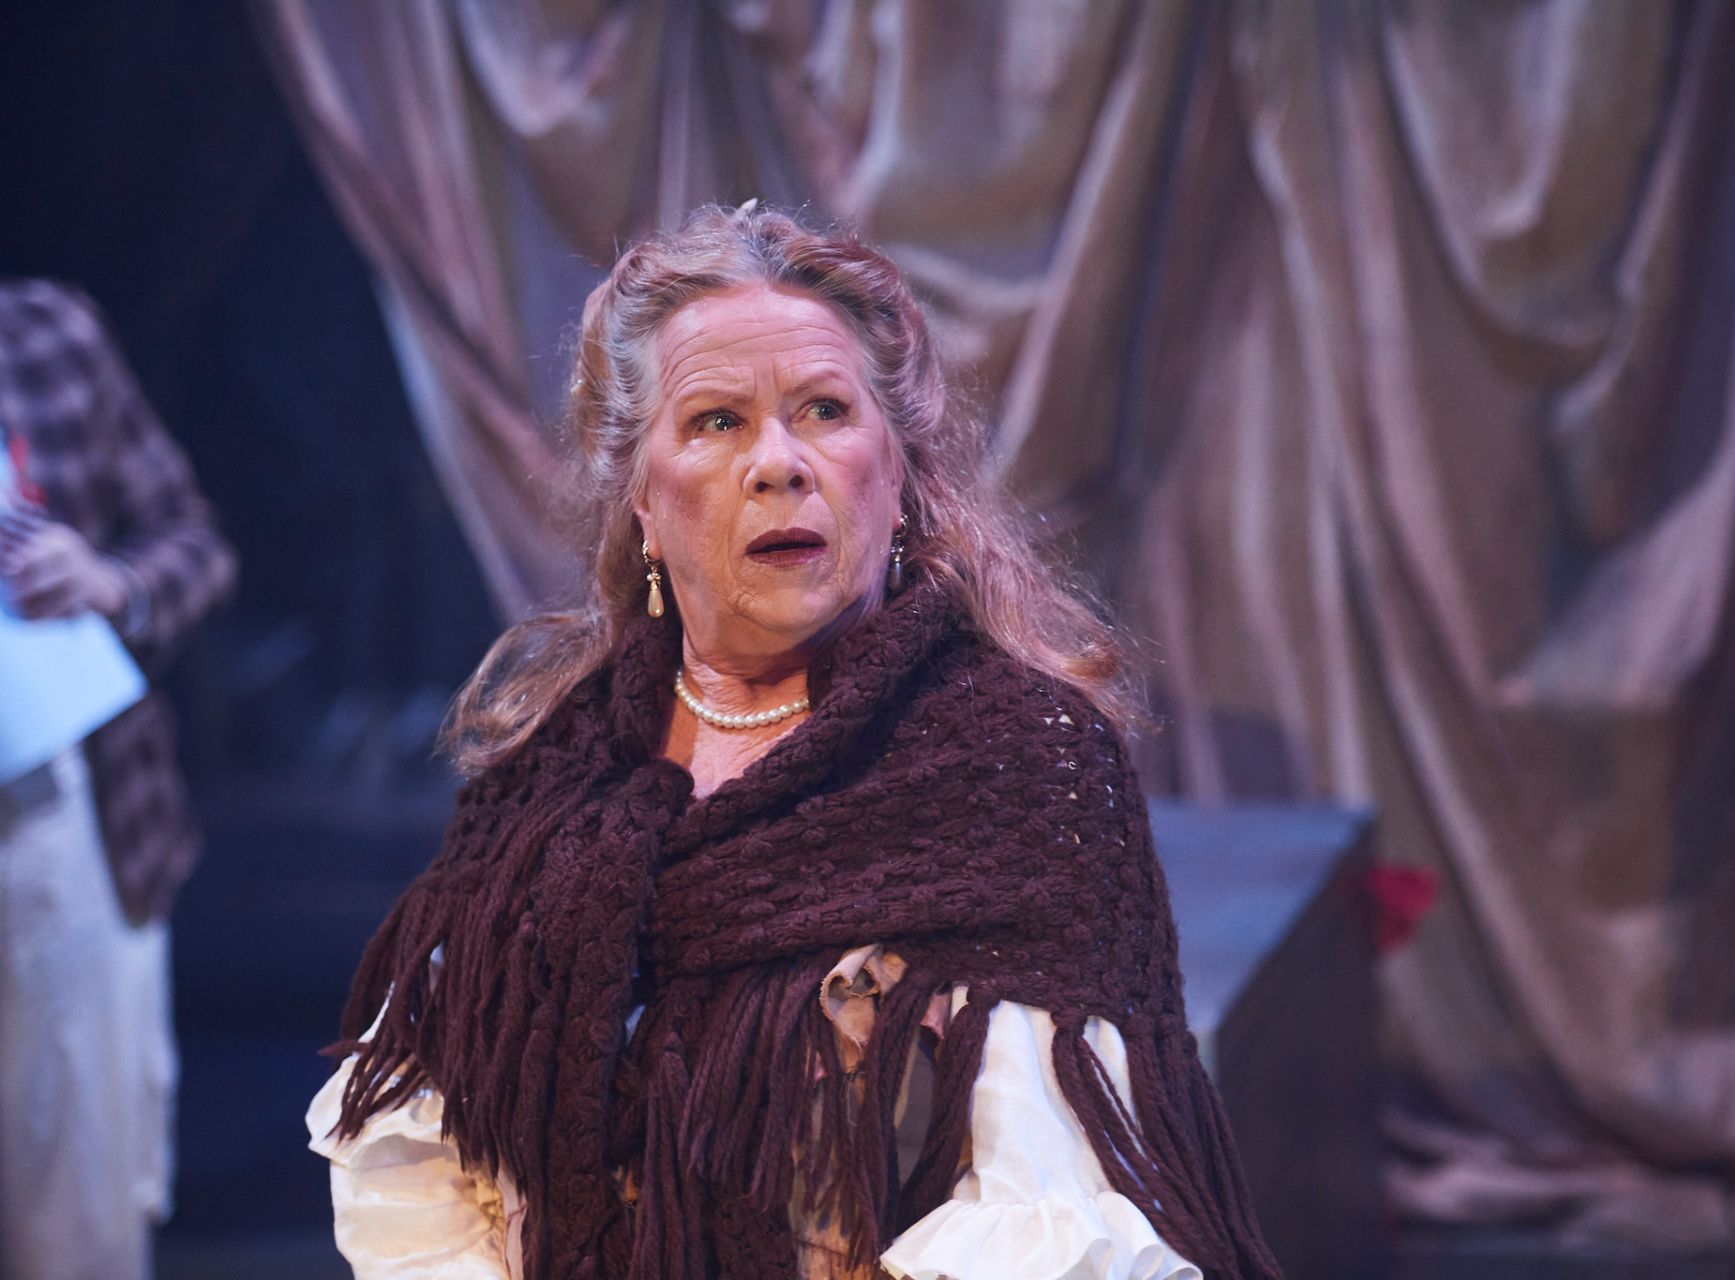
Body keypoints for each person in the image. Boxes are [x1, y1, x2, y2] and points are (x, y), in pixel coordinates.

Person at [306, 204, 1280, 1279]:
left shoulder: (1014, 763)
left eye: (824, 410)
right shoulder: (552, 777)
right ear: (642, 500)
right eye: (716, 422)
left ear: (898, 473)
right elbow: (433, 1165)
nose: (778, 463)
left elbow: (1044, 1203)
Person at [0, 280, 236, 1280]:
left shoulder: (41, 338)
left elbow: (194, 543)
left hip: (53, 809)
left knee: (75, 1209)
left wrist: (110, 582)